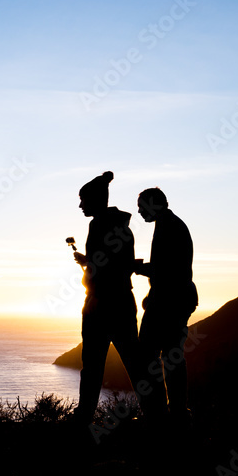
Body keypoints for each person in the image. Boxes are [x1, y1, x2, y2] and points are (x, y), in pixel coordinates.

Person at [71, 171, 151, 424]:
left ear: (96, 199)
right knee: (134, 362)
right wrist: (90, 262)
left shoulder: (98, 226)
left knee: (93, 365)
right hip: (120, 302)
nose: (81, 205)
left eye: (84, 200)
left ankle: (84, 417)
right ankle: (155, 413)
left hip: (101, 304)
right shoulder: (122, 227)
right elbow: (118, 264)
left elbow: (107, 266)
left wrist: (89, 264)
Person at [135, 187, 198, 424]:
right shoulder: (169, 224)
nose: (139, 212)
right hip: (175, 299)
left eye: (142, 206)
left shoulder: (169, 227)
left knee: (150, 355)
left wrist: (136, 268)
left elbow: (164, 269)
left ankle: (161, 414)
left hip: (170, 302)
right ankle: (176, 412)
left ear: (153, 204)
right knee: (171, 356)